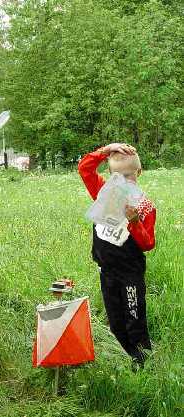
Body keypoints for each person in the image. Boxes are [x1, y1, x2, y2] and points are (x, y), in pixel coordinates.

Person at [78, 143, 156, 367]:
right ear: (110, 175)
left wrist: (134, 222)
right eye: (117, 176)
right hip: (107, 270)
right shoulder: (102, 192)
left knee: (134, 317)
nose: (123, 182)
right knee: (115, 320)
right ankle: (123, 358)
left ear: (139, 173)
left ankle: (142, 361)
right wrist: (106, 150)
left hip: (130, 272)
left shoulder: (145, 206)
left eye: (128, 176)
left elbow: (148, 243)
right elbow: (85, 169)